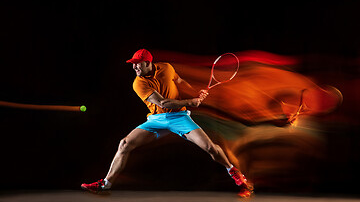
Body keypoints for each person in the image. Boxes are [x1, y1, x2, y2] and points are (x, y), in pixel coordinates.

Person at [81, 49, 253, 196]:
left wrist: (194, 92)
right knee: (124, 144)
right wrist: (190, 102)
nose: (134, 67)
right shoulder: (138, 83)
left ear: (148, 63)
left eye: (138, 63)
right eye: (133, 63)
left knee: (210, 148)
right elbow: (163, 103)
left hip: (179, 118)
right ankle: (106, 184)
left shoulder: (166, 68)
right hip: (156, 120)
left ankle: (235, 173)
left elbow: (178, 81)